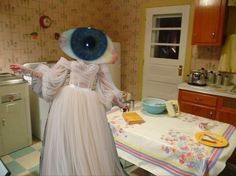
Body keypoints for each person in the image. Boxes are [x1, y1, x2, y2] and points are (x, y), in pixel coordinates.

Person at [10, 27, 127, 176]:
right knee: (66, 137)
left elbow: (109, 86)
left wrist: (121, 103)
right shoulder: (69, 63)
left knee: (87, 139)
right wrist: (26, 70)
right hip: (68, 101)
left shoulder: (100, 66)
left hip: (88, 103)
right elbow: (47, 76)